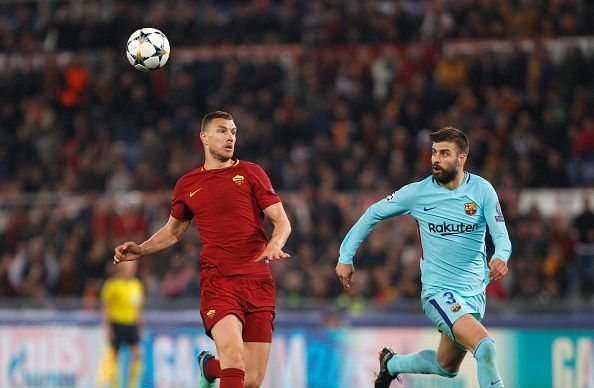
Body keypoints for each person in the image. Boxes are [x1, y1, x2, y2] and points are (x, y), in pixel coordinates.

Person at [113, 111, 292, 388]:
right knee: (233, 357)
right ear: (204, 137)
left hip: (258, 282)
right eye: (222, 131)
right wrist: (142, 249)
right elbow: (173, 232)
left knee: (252, 380)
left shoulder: (251, 173)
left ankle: (209, 367)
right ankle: (217, 366)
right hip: (218, 282)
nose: (230, 136)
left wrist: (275, 244)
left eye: (233, 131)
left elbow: (281, 221)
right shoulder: (188, 184)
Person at [336, 127, 511, 388]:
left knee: (446, 367)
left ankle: (391, 364)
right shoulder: (418, 193)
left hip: (474, 293)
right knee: (485, 348)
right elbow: (373, 212)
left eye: (444, 153)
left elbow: (502, 237)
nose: (435, 159)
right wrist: (345, 256)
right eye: (433, 153)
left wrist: (501, 256)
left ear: (461, 159)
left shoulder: (482, 190)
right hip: (439, 292)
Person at [99, 261, 144, 388]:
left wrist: (139, 326)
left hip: (131, 324)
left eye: (133, 267)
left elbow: (138, 309)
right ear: (122, 269)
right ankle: (115, 385)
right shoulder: (112, 284)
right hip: (116, 323)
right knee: (114, 357)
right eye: (129, 267)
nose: (131, 270)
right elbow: (105, 308)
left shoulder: (137, 285)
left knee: (137, 355)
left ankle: (132, 385)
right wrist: (107, 328)